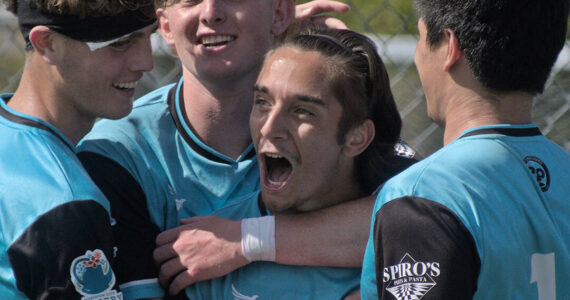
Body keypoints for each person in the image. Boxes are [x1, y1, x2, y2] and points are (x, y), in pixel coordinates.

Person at [76, 0, 389, 299]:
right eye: (190, 0)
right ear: (166, 27)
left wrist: (247, 240)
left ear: (280, 12)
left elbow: (421, 215)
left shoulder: (332, 127)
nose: (211, 13)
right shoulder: (117, 151)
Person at [171, 26, 417, 300]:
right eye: (262, 102)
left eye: (302, 111)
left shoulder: (410, 254)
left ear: (355, 138)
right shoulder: (207, 249)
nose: (269, 127)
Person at [360, 0, 570, 299]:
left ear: (449, 46)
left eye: (421, 38)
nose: (419, 56)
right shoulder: (563, 172)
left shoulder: (425, 195)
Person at [0, 0, 156, 299]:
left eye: (150, 35)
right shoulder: (65, 202)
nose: (145, 62)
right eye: (120, 44)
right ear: (48, 44)